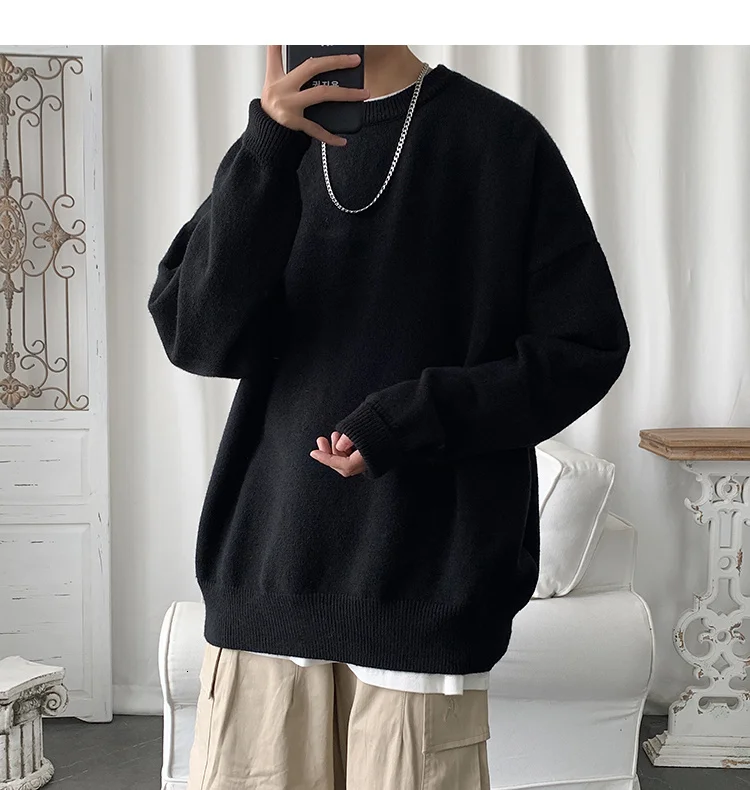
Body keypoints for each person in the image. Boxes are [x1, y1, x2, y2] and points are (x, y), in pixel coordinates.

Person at [148, 44, 630, 790]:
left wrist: (412, 421)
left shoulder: (499, 140)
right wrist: (267, 150)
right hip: (268, 580)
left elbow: (585, 349)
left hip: (424, 584)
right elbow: (194, 336)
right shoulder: (275, 150)